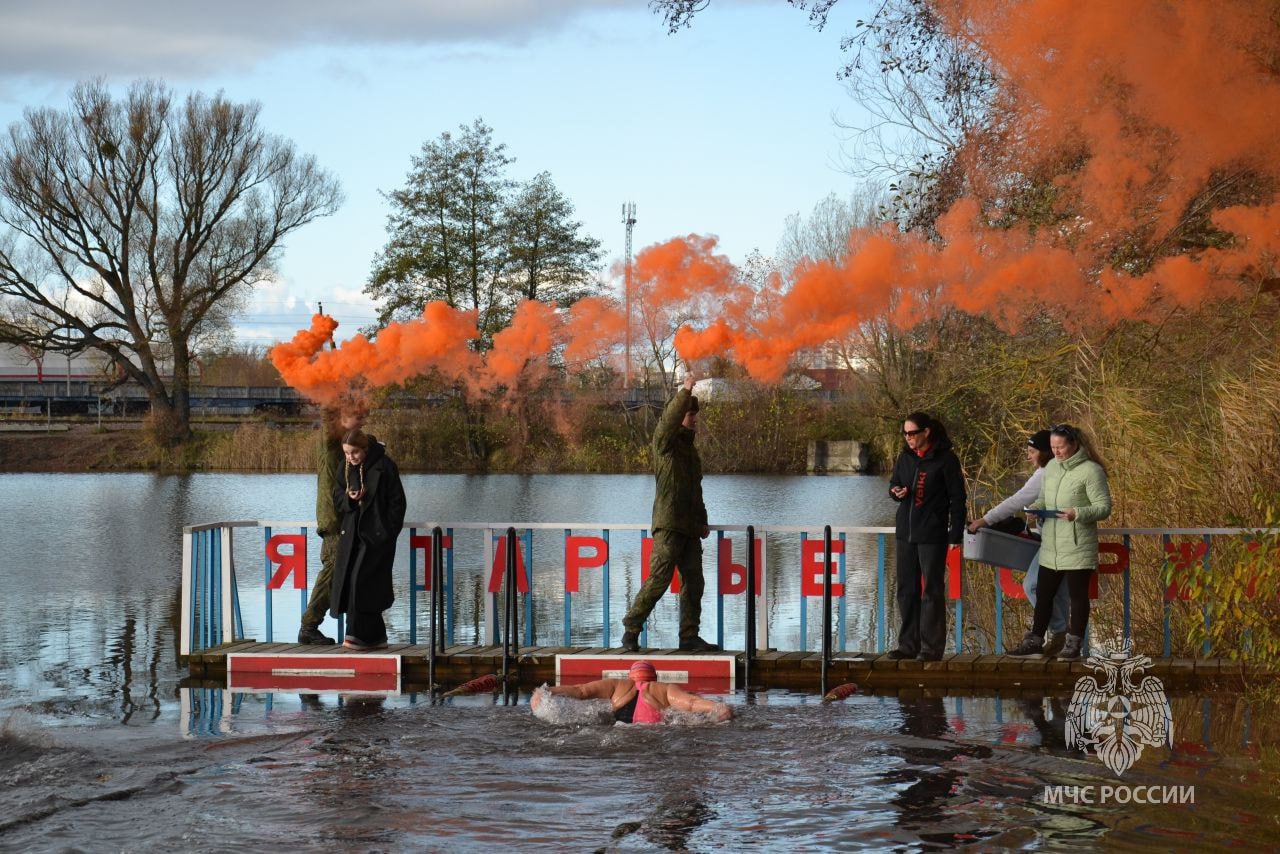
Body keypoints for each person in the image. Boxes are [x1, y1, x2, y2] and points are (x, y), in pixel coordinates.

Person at [621, 372, 716, 653]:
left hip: (688, 529)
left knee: (694, 582)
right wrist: (685, 390)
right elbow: (667, 420)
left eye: (695, 415)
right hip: (668, 525)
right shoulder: (665, 443)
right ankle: (631, 629)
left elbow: (695, 491)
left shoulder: (690, 451)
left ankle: (689, 637)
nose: (694, 419)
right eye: (690, 415)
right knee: (659, 579)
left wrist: (702, 522)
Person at [1010, 423, 1112, 661]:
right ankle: (1035, 641)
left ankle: (1073, 644)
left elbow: (1104, 507)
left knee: (1078, 596)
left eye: (1060, 447)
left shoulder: (1091, 470)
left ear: (1074, 444)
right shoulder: (1052, 468)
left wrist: (1077, 513)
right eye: (1053, 447)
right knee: (1044, 594)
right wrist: (1035, 509)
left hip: (1077, 544)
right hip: (1051, 545)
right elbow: (1044, 499)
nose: (1056, 452)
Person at [966, 429, 1071, 656]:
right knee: (1059, 592)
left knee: (1032, 585)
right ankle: (1062, 639)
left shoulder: (1045, 473)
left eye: (1032, 452)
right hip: (1058, 538)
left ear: (1045, 453)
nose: (1029, 457)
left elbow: (1017, 500)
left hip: (1059, 540)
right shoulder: (1056, 471)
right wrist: (1040, 512)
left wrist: (984, 520)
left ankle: (1059, 632)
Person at [887, 412, 966, 661]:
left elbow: (958, 499)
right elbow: (894, 484)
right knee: (905, 590)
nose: (908, 438)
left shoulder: (945, 459)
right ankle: (908, 646)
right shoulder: (906, 458)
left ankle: (931, 649)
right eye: (905, 434)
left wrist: (955, 534)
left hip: (932, 533)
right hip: (905, 533)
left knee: (931, 591)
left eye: (912, 433)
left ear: (926, 432)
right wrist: (896, 491)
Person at [331, 428, 407, 650]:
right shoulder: (344, 468)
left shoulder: (384, 466)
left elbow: (398, 502)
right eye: (346, 453)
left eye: (354, 452)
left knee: (360, 582)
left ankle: (355, 635)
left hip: (376, 537)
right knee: (356, 583)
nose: (350, 457)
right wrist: (350, 499)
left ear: (365, 449)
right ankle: (375, 637)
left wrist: (387, 532)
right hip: (352, 535)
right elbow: (336, 496)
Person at [298, 407, 365, 644]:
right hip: (334, 522)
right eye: (357, 417)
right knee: (332, 572)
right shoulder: (330, 443)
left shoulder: (343, 447)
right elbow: (328, 415)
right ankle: (308, 627)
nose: (361, 423)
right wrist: (330, 387)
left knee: (338, 572)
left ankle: (349, 629)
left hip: (340, 519)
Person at [531, 660, 733, 723]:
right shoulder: (662, 689)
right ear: (653, 678)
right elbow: (690, 703)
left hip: (622, 732)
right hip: (652, 733)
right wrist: (717, 707)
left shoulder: (617, 685)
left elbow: (580, 691)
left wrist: (546, 691)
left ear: (631, 677)